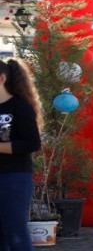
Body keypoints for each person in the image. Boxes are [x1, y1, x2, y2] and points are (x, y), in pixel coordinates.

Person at [0, 59, 42, 251]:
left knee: (15, 232)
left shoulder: (19, 107)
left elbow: (32, 143)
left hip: (13, 177)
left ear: (1, 79)